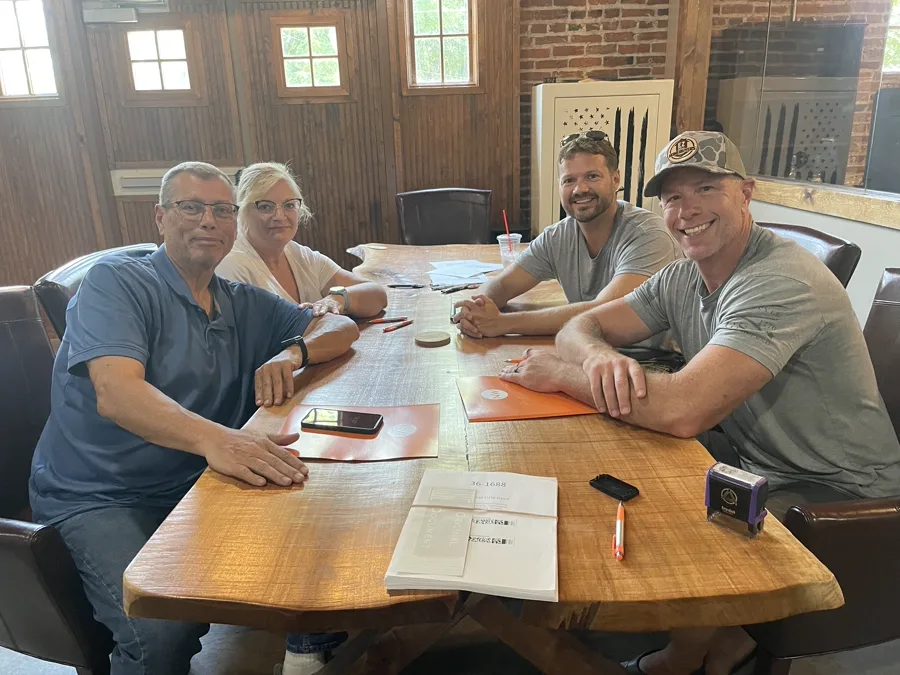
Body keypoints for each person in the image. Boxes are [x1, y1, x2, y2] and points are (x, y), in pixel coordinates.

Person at [500, 132, 900, 675]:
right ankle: (722, 641)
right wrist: (595, 359)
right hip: (755, 456)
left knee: (665, 522)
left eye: (705, 188)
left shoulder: (777, 280)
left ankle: (680, 658)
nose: (686, 210)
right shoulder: (684, 275)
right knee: (606, 467)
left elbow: (681, 409)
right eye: (671, 198)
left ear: (746, 193)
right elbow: (583, 323)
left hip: (834, 494)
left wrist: (565, 375)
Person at [29, 162, 361, 675]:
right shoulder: (117, 282)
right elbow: (117, 393)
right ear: (160, 218)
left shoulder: (240, 301)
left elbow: (338, 324)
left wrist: (293, 352)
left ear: (234, 224)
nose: (208, 220)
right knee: (160, 631)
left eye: (222, 210)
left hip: (194, 478)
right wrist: (219, 440)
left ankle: (307, 646)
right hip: (102, 491)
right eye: (190, 207)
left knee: (326, 528)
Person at [453, 130, 681, 359]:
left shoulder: (649, 234)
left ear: (615, 179)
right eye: (569, 180)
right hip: (594, 352)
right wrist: (476, 310)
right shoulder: (557, 237)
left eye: (592, 177)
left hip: (657, 359)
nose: (579, 189)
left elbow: (605, 311)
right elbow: (502, 285)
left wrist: (503, 323)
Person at [217, 162, 388, 319]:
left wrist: (338, 299)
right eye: (265, 207)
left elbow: (376, 294)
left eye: (289, 205)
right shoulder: (231, 265)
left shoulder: (300, 255)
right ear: (241, 211)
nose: (279, 216)